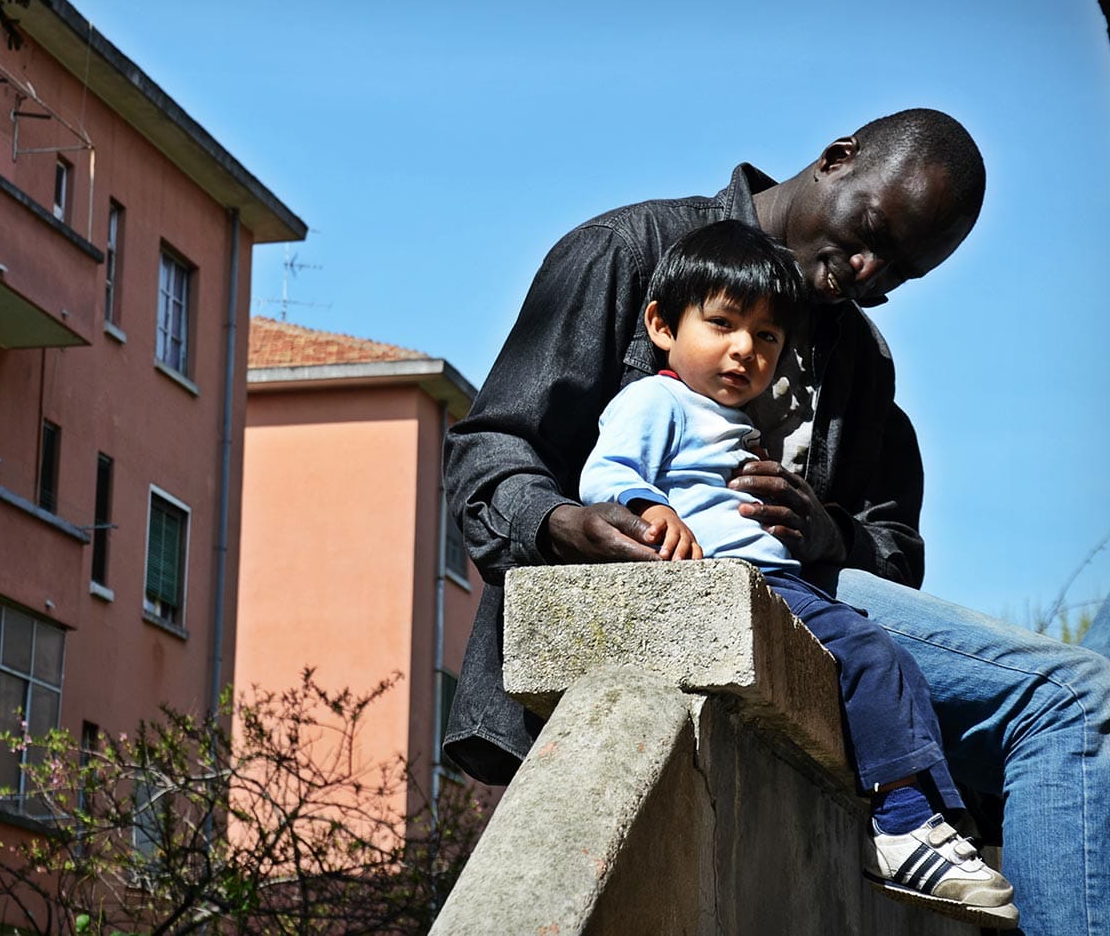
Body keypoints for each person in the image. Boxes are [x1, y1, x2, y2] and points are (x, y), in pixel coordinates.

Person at [443, 109, 1110, 936]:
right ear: (836, 159)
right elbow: (491, 445)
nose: (869, 273)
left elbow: (894, 549)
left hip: (814, 602)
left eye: (900, 272)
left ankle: (925, 827)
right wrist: (561, 524)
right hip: (642, 623)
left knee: (1066, 698)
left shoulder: (860, 357)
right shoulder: (632, 249)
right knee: (1075, 697)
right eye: (872, 234)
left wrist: (831, 534)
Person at [578, 218, 1016, 927]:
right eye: (721, 324)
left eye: (767, 338)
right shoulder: (654, 400)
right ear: (661, 325)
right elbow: (607, 473)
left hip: (779, 582)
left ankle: (939, 823)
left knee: (876, 661)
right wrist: (651, 510)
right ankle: (905, 825)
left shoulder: (731, 420)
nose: (744, 350)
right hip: (737, 580)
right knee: (872, 656)